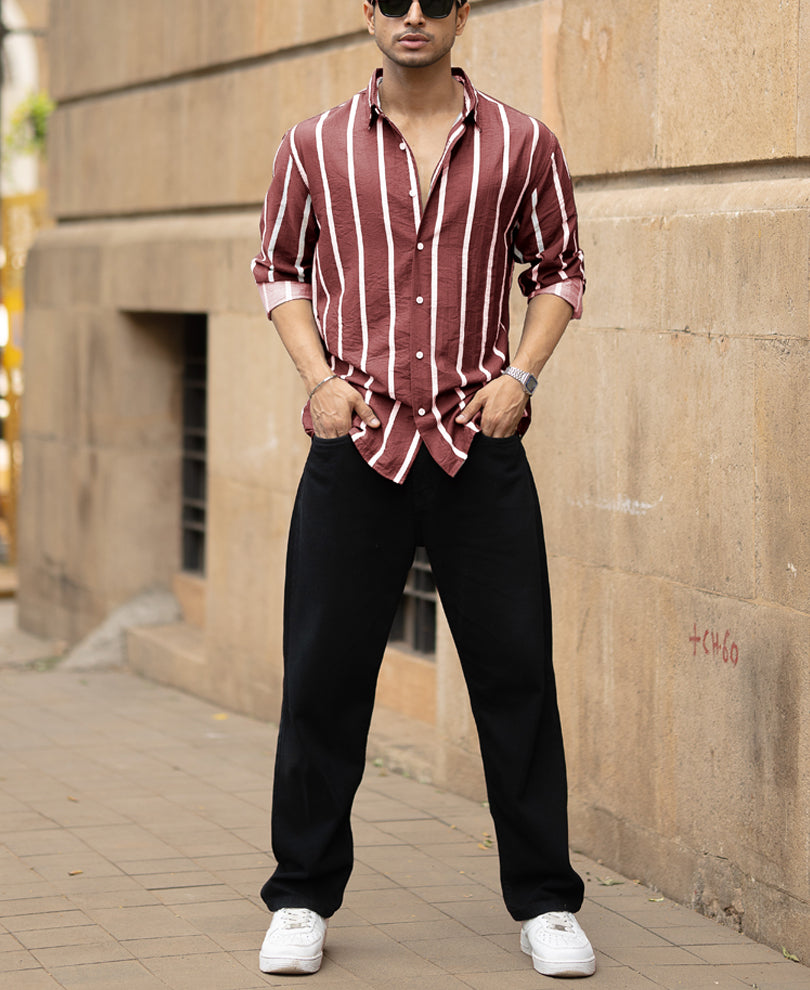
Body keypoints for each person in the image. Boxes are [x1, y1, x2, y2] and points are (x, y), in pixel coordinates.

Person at [250, 0, 595, 978]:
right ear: (366, 12)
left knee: (516, 673)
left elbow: (561, 267)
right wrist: (319, 381)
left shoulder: (522, 142)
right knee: (322, 676)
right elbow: (278, 268)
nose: (412, 16)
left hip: (475, 450)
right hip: (357, 448)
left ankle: (545, 903)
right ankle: (302, 896)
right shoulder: (312, 145)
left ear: (460, 12)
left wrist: (520, 379)